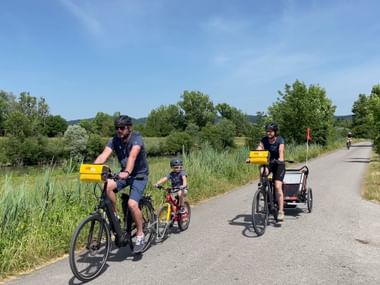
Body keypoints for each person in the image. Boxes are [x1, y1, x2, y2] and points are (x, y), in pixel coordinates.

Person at [94, 115, 149, 253]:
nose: (119, 130)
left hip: (139, 176)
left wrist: (127, 171)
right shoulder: (114, 140)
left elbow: (133, 156)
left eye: (122, 128)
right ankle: (116, 217)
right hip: (124, 174)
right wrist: (92, 168)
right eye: (117, 128)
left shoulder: (136, 139)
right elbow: (103, 155)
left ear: (129, 128)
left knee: (132, 204)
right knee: (108, 187)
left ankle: (140, 234)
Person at [257, 123, 286, 222]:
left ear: (275, 132)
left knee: (278, 186)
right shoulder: (264, 140)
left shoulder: (280, 140)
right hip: (269, 163)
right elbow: (259, 149)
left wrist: (281, 159)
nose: (268, 133)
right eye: (267, 131)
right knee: (262, 171)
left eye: (270, 131)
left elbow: (281, 151)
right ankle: (264, 189)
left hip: (279, 164)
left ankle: (281, 211)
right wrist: (252, 157)